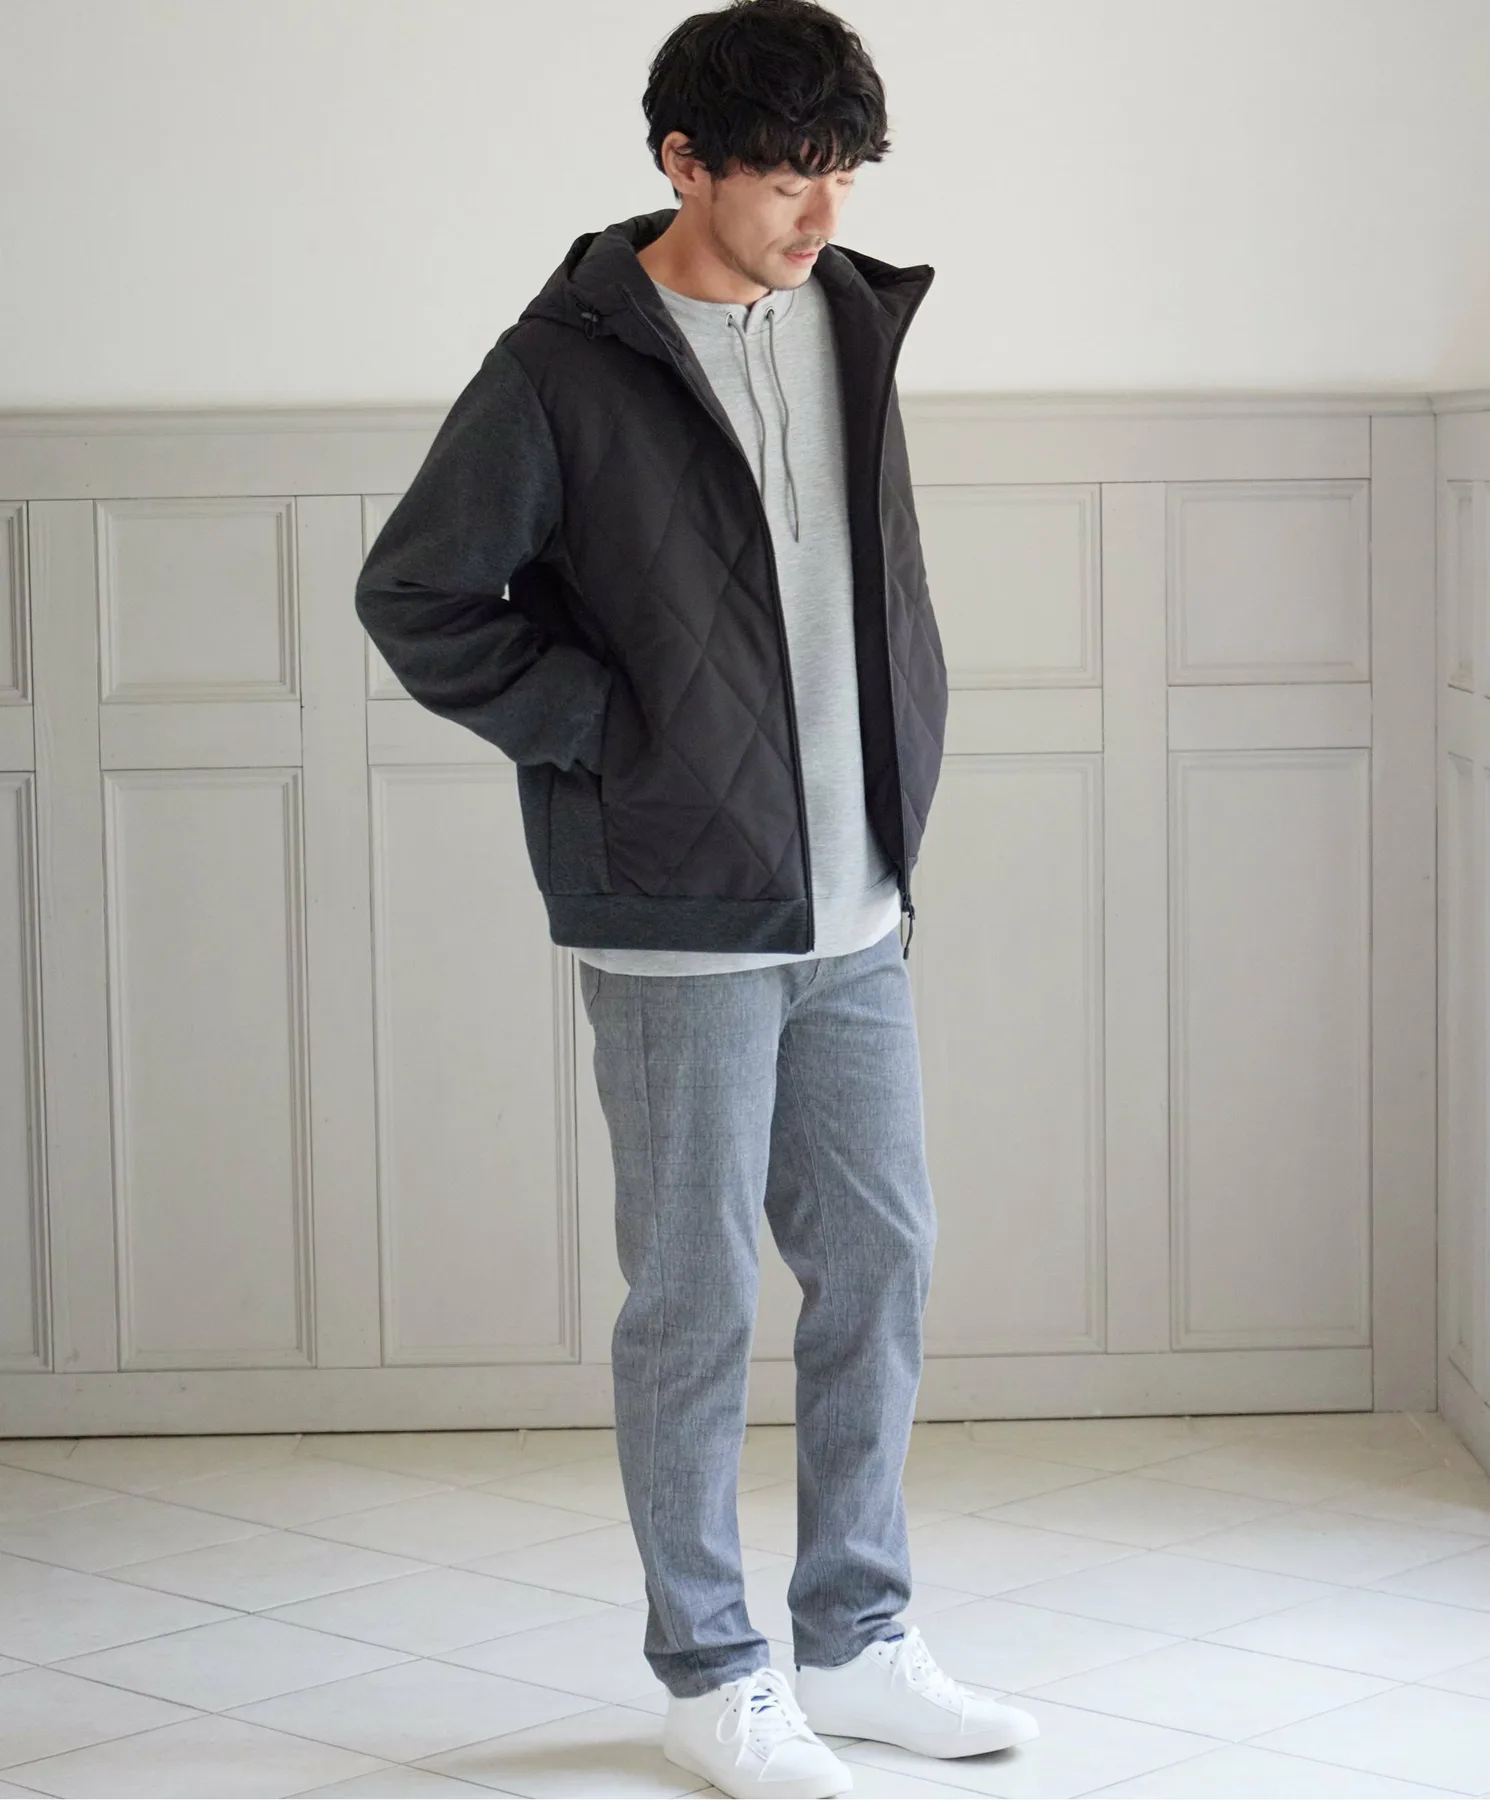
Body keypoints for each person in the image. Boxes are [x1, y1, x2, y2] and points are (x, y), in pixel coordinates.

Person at [355, 0, 1040, 1792]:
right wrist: (607, 735)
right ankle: (711, 1668)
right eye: (789, 176)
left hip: (856, 897)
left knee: (880, 1259)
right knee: (693, 1296)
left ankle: (859, 1637)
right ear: (683, 161)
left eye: (845, 174)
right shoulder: (559, 368)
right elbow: (417, 593)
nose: (824, 212)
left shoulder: (850, 316)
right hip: (674, 913)